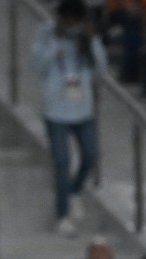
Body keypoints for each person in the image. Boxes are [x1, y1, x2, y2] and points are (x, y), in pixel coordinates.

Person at [34, 0, 108, 236]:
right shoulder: (46, 32)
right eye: (68, 20)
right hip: (55, 109)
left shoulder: (86, 36)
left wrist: (92, 40)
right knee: (62, 162)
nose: (71, 25)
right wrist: (55, 42)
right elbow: (38, 66)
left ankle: (74, 190)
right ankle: (62, 214)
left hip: (82, 108)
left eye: (76, 21)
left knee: (90, 155)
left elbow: (101, 67)